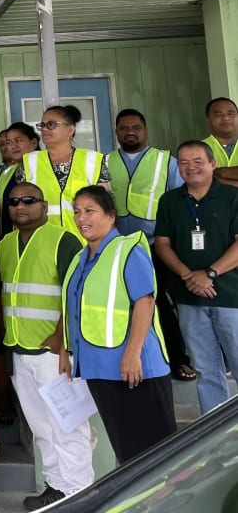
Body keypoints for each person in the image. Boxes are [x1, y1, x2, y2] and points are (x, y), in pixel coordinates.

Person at [61, 186, 175, 464]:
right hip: (98, 368)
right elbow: (75, 310)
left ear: (111, 217)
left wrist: (132, 354)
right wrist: (66, 351)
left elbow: (145, 303)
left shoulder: (127, 249)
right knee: (127, 450)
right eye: (77, 212)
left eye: (90, 211)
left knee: (157, 456)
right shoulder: (80, 258)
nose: (81, 218)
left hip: (134, 369)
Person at [0, 182, 92, 510]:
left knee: (69, 425)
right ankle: (56, 486)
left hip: (54, 352)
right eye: (13, 201)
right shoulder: (5, 244)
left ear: (45, 205)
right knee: (40, 427)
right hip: (19, 349)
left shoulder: (62, 239)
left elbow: (75, 293)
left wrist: (63, 340)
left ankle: (80, 493)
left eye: (28, 200)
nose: (20, 206)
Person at [108, 109, 193, 381]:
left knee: (161, 305)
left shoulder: (165, 161)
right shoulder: (105, 161)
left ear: (145, 130)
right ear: (117, 131)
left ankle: (177, 359)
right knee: (121, 305)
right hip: (117, 248)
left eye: (136, 127)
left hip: (155, 246)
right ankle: (128, 359)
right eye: (123, 127)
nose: (130, 132)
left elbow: (181, 202)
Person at [155, 140, 238, 413]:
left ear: (213, 164)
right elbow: (163, 244)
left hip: (230, 296)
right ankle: (216, 439)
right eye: (184, 162)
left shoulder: (232, 196)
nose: (191, 167)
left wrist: (210, 274)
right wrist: (189, 276)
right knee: (205, 370)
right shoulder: (170, 201)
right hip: (189, 297)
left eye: (198, 161)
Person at [15, 105, 110, 239]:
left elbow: (105, 208)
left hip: (83, 242)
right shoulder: (29, 162)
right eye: (42, 125)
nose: (45, 129)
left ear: (70, 129)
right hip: (43, 240)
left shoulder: (93, 160)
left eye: (51, 124)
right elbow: (19, 206)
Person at [0, 123, 40, 237]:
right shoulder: (8, 172)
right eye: (9, 143)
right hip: (10, 237)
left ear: (34, 143)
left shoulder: (44, 167)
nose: (13, 146)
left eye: (18, 141)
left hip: (37, 236)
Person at [203, 97, 238, 186]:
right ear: (208, 120)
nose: (226, 118)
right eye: (218, 114)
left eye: (231, 114)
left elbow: (207, 178)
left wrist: (221, 172)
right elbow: (198, 179)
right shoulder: (198, 148)